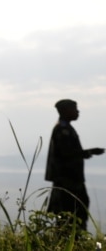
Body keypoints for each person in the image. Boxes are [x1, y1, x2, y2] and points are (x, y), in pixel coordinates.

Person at [45, 99, 104, 232]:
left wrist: (87, 152)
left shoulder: (65, 128)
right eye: (75, 108)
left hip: (71, 180)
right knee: (71, 214)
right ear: (65, 111)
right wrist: (89, 152)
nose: (78, 111)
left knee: (76, 211)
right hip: (68, 181)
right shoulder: (62, 129)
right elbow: (66, 153)